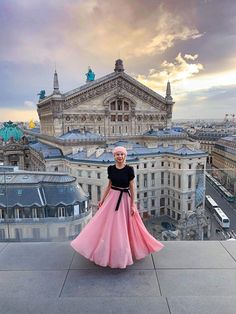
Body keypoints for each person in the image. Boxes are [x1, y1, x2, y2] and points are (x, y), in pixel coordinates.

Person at [70, 146, 164, 268]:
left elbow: (132, 187)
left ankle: (123, 253)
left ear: (125, 156)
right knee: (108, 225)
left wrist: (132, 204)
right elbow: (109, 186)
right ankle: (107, 251)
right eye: (117, 154)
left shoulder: (129, 170)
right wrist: (102, 200)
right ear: (114, 156)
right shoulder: (111, 169)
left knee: (124, 226)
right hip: (112, 198)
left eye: (121, 154)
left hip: (125, 199)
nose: (119, 156)